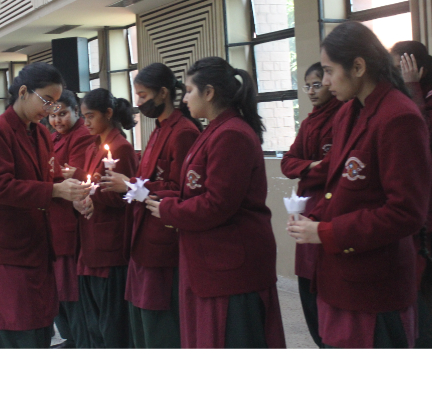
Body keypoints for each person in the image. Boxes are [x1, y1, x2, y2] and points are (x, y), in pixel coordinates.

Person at [287, 22, 432, 349]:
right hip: (340, 275)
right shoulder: (347, 113)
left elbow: (405, 213)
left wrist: (327, 232)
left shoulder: (399, 116)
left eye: (328, 71)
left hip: (376, 282)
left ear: (358, 67)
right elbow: (338, 186)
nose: (324, 82)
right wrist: (315, 219)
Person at [145, 57, 286, 349]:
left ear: (209, 92)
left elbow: (218, 204)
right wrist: (168, 197)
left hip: (231, 263)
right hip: (209, 260)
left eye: (188, 91)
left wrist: (169, 210)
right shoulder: (213, 129)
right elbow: (195, 189)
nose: (184, 99)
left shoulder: (232, 133)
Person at [0, 63, 90, 348]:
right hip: (9, 249)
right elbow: (1, 187)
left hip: (38, 244)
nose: (51, 110)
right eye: (47, 101)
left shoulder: (40, 133)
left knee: (40, 328)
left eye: (56, 103)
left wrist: (73, 195)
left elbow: (46, 179)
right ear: (23, 92)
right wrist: (55, 189)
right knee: (18, 333)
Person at [99, 63, 201, 348]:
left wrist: (130, 185)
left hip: (163, 238)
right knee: (142, 323)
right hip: (142, 236)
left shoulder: (184, 132)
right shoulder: (157, 130)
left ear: (164, 93)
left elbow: (181, 189)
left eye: (143, 96)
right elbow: (146, 177)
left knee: (161, 325)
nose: (139, 102)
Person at [390, 40, 432, 348]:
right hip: (399, 211)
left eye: (400, 67)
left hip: (429, 216)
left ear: (418, 69)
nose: (395, 74)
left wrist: (411, 88)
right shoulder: (393, 100)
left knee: (426, 296)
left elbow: (424, 136)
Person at [62, 87, 139, 348]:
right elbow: (91, 184)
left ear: (108, 113)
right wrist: (81, 198)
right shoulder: (93, 146)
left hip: (109, 244)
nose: (86, 123)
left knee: (110, 323)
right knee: (93, 322)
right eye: (84, 117)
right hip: (90, 240)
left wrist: (91, 194)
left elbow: (125, 197)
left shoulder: (121, 148)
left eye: (90, 116)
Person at [280, 62, 343, 347]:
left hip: (330, 208)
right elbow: (287, 163)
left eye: (317, 84)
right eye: (307, 86)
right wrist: (311, 166)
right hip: (306, 207)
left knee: (328, 283)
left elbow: (336, 166)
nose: (312, 91)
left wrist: (306, 168)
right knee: (307, 280)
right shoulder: (308, 123)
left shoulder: (343, 116)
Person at [47, 89, 93, 348]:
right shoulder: (53, 137)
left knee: (70, 287)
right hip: (54, 217)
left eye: (63, 114)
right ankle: (70, 337)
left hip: (70, 219)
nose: (57, 120)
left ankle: (80, 340)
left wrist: (47, 176)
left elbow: (72, 175)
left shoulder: (81, 136)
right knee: (59, 286)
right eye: (53, 115)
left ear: (76, 111)